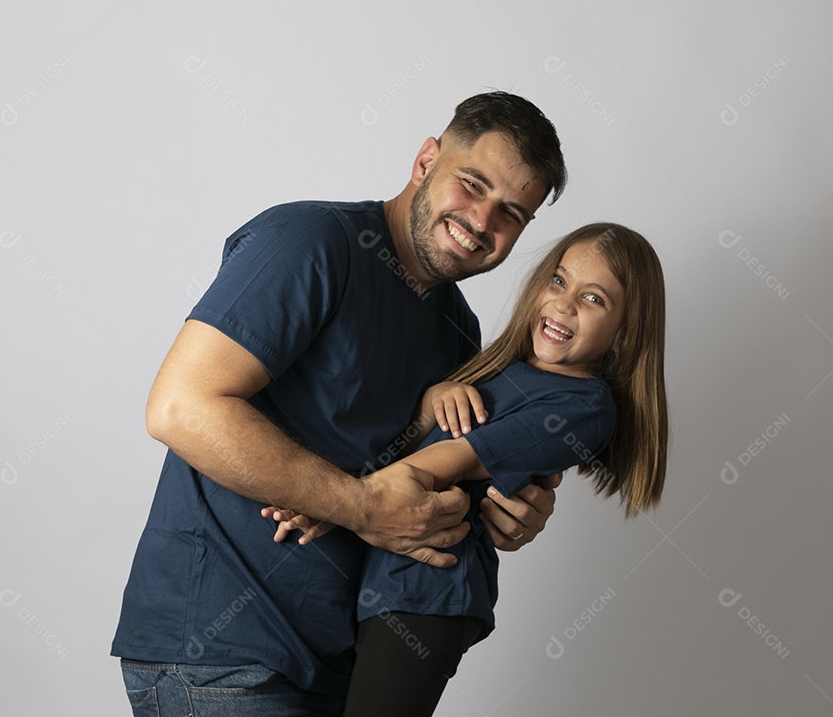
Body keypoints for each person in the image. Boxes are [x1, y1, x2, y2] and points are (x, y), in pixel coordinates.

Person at [112, 92, 569, 716]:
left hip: (341, 667)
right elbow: (181, 407)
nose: (482, 220)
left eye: (511, 212)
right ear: (425, 161)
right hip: (221, 654)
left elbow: (415, 476)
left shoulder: (458, 332)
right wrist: (359, 505)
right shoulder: (311, 241)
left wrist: (507, 507)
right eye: (472, 184)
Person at [267, 223, 669, 716]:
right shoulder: (499, 370)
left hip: (428, 593)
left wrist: (332, 503)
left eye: (594, 299)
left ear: (626, 331)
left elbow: (450, 462)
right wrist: (437, 400)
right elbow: (408, 448)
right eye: (559, 282)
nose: (564, 305)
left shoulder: (584, 407)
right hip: (380, 579)